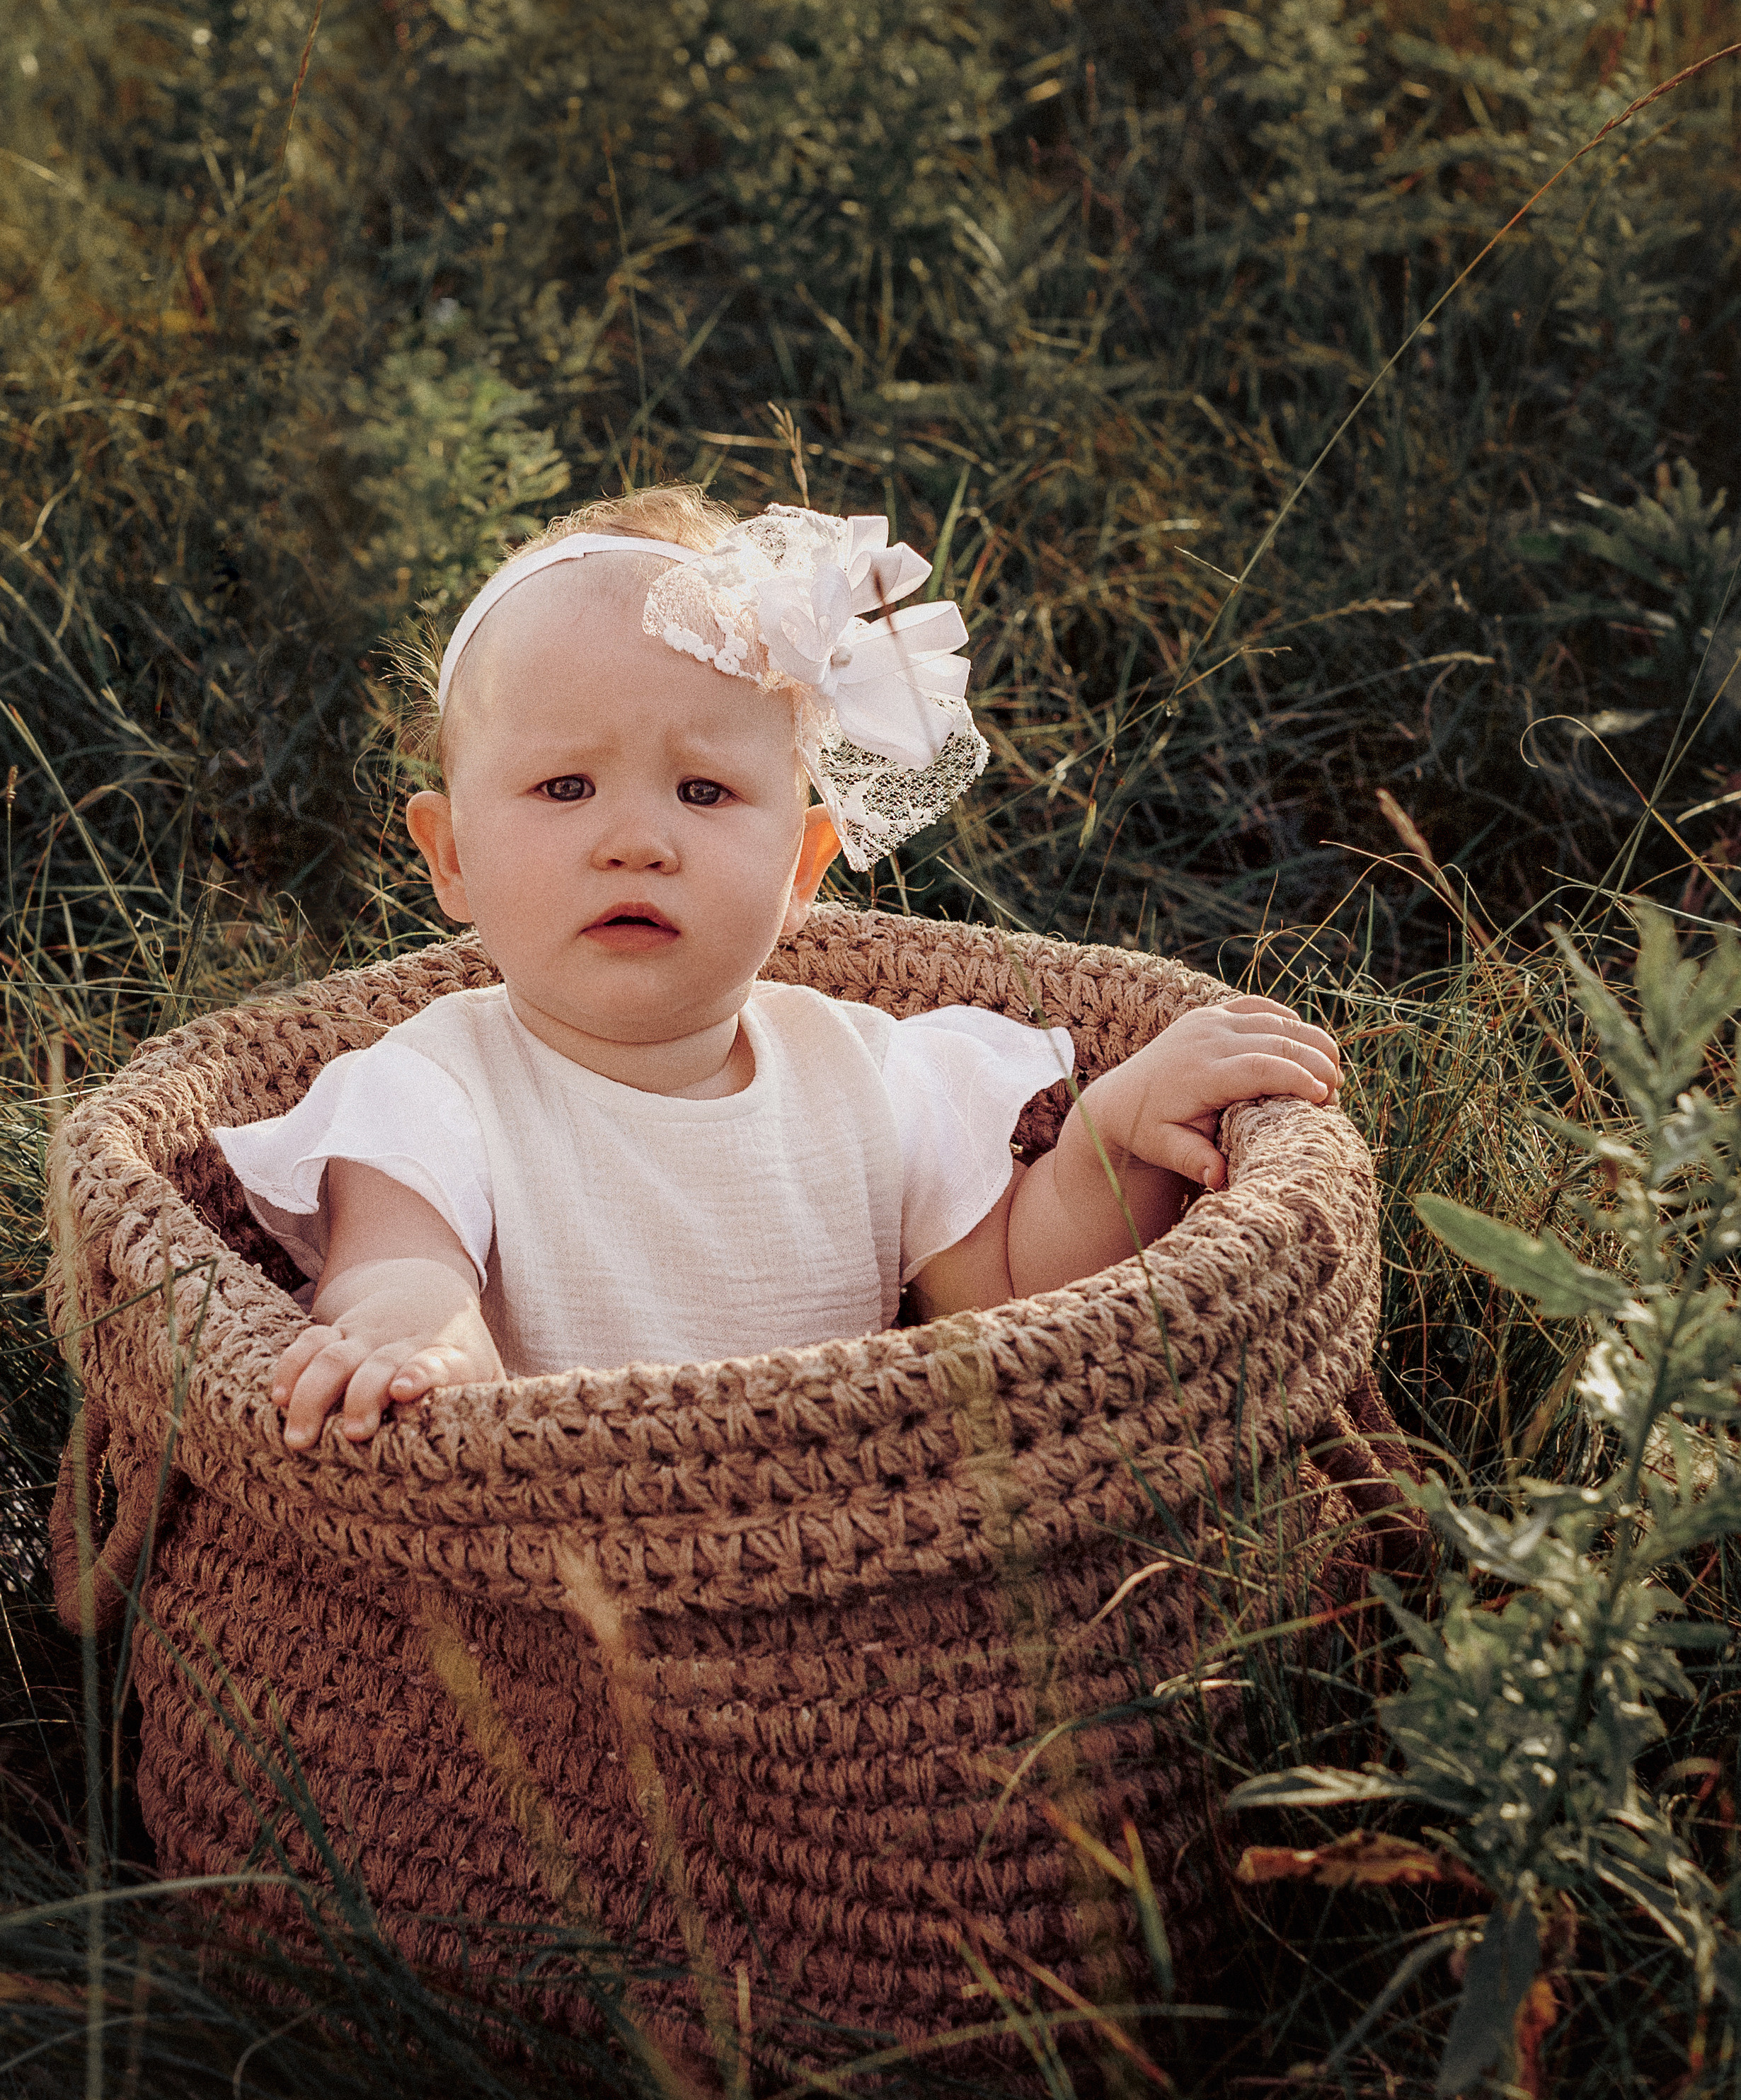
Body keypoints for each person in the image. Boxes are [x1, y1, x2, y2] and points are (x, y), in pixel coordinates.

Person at [215, 487, 1341, 1449]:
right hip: (552, 1557)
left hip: (836, 1568)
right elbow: (396, 1262)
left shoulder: (867, 1073)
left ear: (804, 867)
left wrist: (1117, 1128)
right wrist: (418, 1335)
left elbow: (1006, 1292)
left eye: (703, 792)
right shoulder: (433, 1085)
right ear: (451, 857)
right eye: (566, 789)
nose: (637, 840)